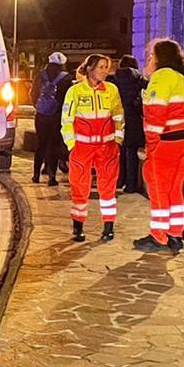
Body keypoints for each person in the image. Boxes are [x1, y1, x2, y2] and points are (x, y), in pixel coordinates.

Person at [135, 38, 184, 254]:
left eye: (152, 56)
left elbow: (155, 114)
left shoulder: (162, 76)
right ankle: (175, 234)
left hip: (169, 138)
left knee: (158, 187)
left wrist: (151, 147)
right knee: (175, 187)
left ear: (159, 57)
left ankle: (158, 235)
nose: (149, 60)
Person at [61, 53, 124, 242]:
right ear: (90, 68)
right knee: (79, 187)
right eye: (101, 67)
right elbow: (67, 120)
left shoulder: (112, 90)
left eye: (107, 67)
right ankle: (78, 228)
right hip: (82, 148)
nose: (105, 71)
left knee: (108, 188)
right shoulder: (75, 91)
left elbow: (119, 117)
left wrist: (118, 142)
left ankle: (108, 227)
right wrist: (72, 145)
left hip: (107, 148)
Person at [30, 51, 69, 185]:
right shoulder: (66, 78)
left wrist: (38, 106)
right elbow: (67, 100)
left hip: (41, 116)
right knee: (53, 146)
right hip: (56, 116)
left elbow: (33, 94)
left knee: (41, 144)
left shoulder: (40, 76)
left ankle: (36, 175)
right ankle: (52, 177)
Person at [110, 54, 145, 196]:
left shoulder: (113, 80)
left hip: (118, 119)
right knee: (132, 151)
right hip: (134, 118)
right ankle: (131, 185)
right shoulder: (140, 79)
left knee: (120, 151)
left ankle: (119, 180)